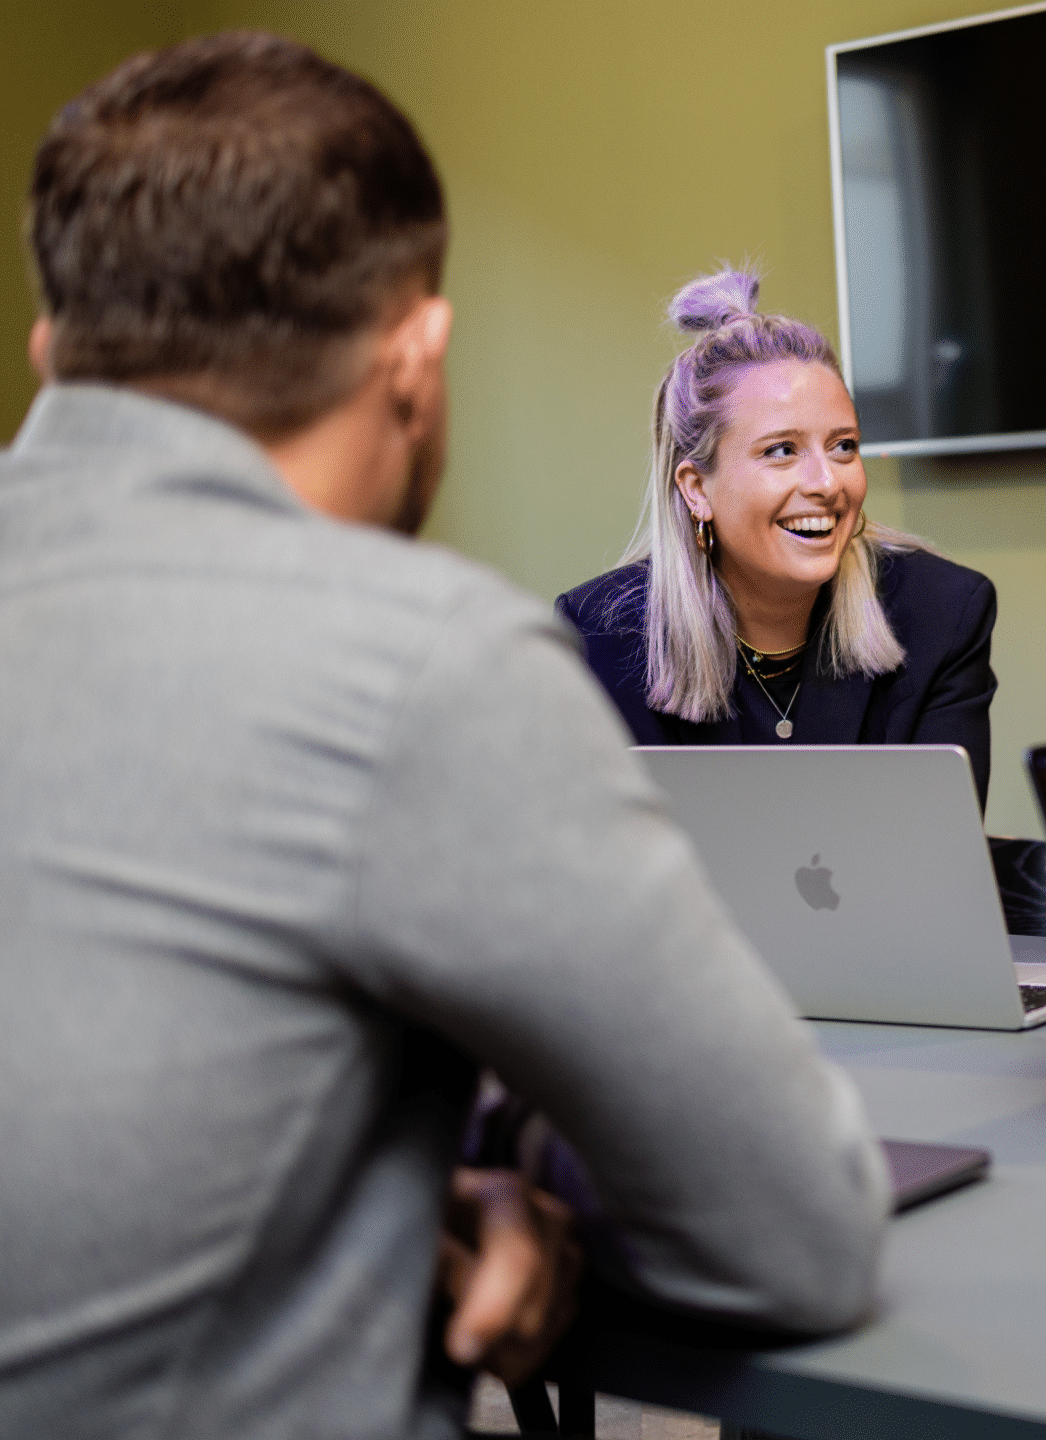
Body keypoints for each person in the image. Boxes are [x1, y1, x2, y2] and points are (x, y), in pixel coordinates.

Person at [0, 33, 888, 1440]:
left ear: (57, 356)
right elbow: (796, 1232)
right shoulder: (423, 663)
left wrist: (389, 1202)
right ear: (417, 358)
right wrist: (510, 1170)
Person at [558, 272, 1000, 808]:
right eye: (781, 451)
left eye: (843, 446)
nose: (827, 482)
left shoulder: (943, 613)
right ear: (696, 488)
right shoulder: (600, 637)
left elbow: (936, 853)